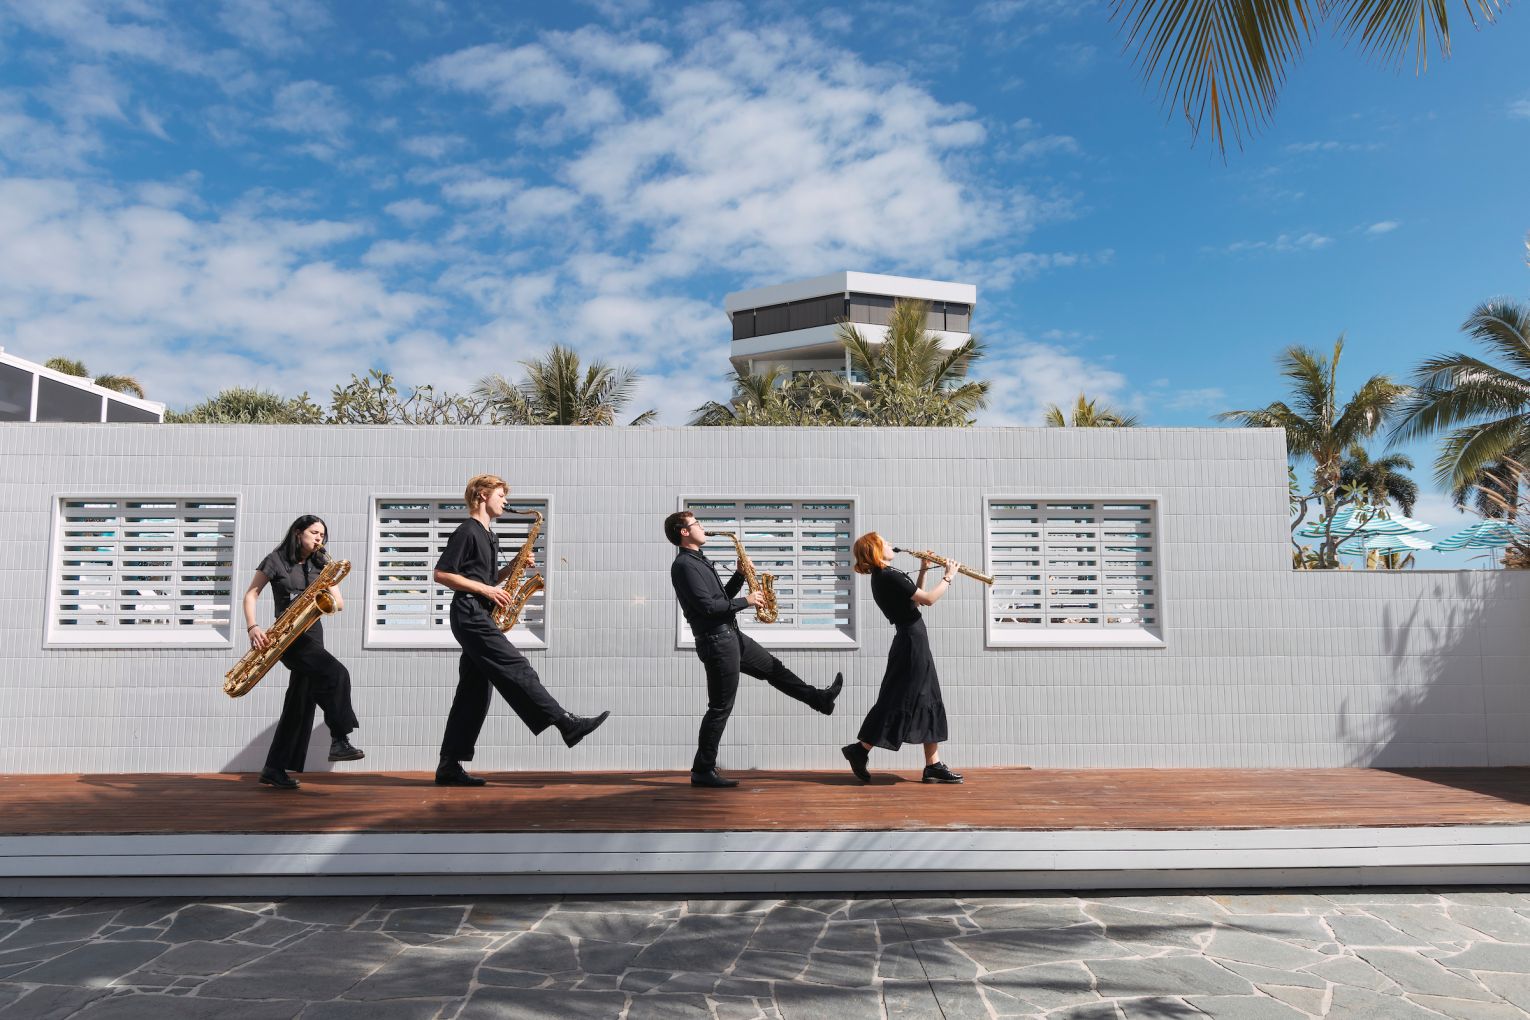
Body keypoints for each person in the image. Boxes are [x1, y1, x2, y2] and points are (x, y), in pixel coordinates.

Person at [432, 474, 610, 786]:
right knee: (517, 666)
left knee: (473, 693)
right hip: (469, 612)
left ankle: (449, 766)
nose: (505, 501)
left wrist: (513, 565)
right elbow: (442, 574)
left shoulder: (489, 534)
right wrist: (487, 591)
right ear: (483, 494)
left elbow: (487, 578)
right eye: (501, 495)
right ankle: (566, 722)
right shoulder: (467, 530)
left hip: (480, 613)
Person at [664, 509, 843, 788]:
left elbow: (721, 598)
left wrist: (739, 576)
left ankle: (819, 699)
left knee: (774, 669)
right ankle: (702, 770)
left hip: (731, 635)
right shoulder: (684, 565)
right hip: (717, 641)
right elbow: (708, 608)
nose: (702, 527)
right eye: (696, 523)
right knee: (720, 707)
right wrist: (747, 601)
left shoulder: (699, 560)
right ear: (684, 532)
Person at [243, 515, 364, 790]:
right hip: (288, 638)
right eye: (314, 532)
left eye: (322, 534)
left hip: (313, 635)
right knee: (337, 673)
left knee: (299, 703)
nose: (319, 538)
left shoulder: (321, 564)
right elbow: (251, 594)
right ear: (298, 533)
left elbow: (339, 603)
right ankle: (340, 738)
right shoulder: (275, 560)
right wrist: (252, 627)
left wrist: (322, 597)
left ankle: (274, 769)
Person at [841, 532, 963, 785]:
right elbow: (928, 599)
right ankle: (860, 749)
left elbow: (914, 602)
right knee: (897, 698)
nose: (890, 544)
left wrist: (924, 569)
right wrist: (949, 576)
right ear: (875, 550)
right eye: (884, 542)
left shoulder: (885, 576)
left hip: (912, 640)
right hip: (911, 642)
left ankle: (933, 765)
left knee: (928, 697)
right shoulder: (888, 575)